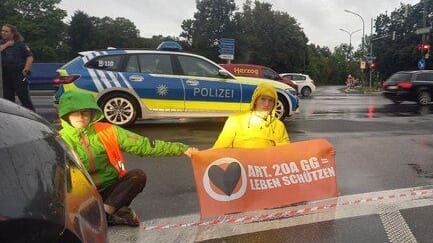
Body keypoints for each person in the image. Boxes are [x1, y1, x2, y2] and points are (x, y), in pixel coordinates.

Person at [58, 91, 198, 227]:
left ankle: (105, 215)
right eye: (75, 112)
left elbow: (144, 145)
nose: (81, 116)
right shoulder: (60, 139)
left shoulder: (108, 131)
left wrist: (181, 149)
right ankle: (110, 213)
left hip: (111, 190)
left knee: (137, 176)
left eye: (85, 112)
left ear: (92, 114)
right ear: (66, 116)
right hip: (82, 195)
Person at [213, 83, 290, 149]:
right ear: (255, 101)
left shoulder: (278, 126)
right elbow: (220, 148)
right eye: (263, 99)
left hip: (267, 164)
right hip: (241, 164)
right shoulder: (236, 120)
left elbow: (284, 153)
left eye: (271, 100)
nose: (267, 104)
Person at [0, 24, 34, 110]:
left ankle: (32, 115)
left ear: (13, 33)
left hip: (19, 73)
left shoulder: (20, 44)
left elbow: (29, 57)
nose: (3, 33)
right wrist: (7, 45)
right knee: (8, 98)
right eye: (2, 31)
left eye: (6, 31)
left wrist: (26, 69)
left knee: (23, 96)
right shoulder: (2, 43)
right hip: (5, 74)